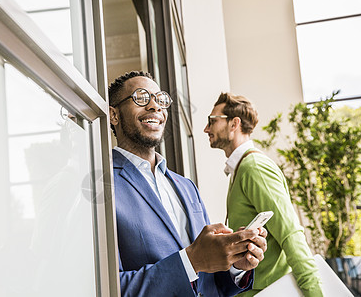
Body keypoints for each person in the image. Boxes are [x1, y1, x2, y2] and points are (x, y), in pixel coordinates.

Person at [109, 71, 267, 297]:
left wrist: (235, 264)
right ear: (114, 115)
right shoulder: (103, 188)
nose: (155, 106)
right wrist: (191, 260)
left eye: (160, 99)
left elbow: (210, 279)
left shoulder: (186, 186)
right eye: (141, 98)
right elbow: (107, 287)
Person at [204, 92, 323, 296]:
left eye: (212, 121)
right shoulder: (240, 169)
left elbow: (290, 234)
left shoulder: (254, 167)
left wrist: (315, 293)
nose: (206, 128)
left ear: (234, 124)